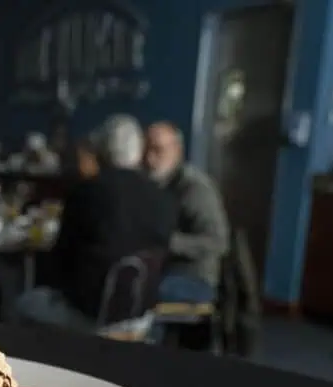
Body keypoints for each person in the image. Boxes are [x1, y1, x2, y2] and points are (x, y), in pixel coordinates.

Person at [16, 115, 176, 336]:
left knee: (24, 304)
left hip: (89, 317)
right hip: (141, 319)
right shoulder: (164, 199)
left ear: (100, 154)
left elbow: (60, 260)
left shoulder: (86, 192)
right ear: (138, 154)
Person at [145, 121, 230, 304]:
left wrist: (170, 242)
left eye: (158, 150)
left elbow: (218, 243)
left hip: (195, 278)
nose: (149, 159)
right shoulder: (153, 185)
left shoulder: (194, 188)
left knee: (147, 291)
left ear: (177, 151)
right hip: (162, 270)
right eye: (146, 151)